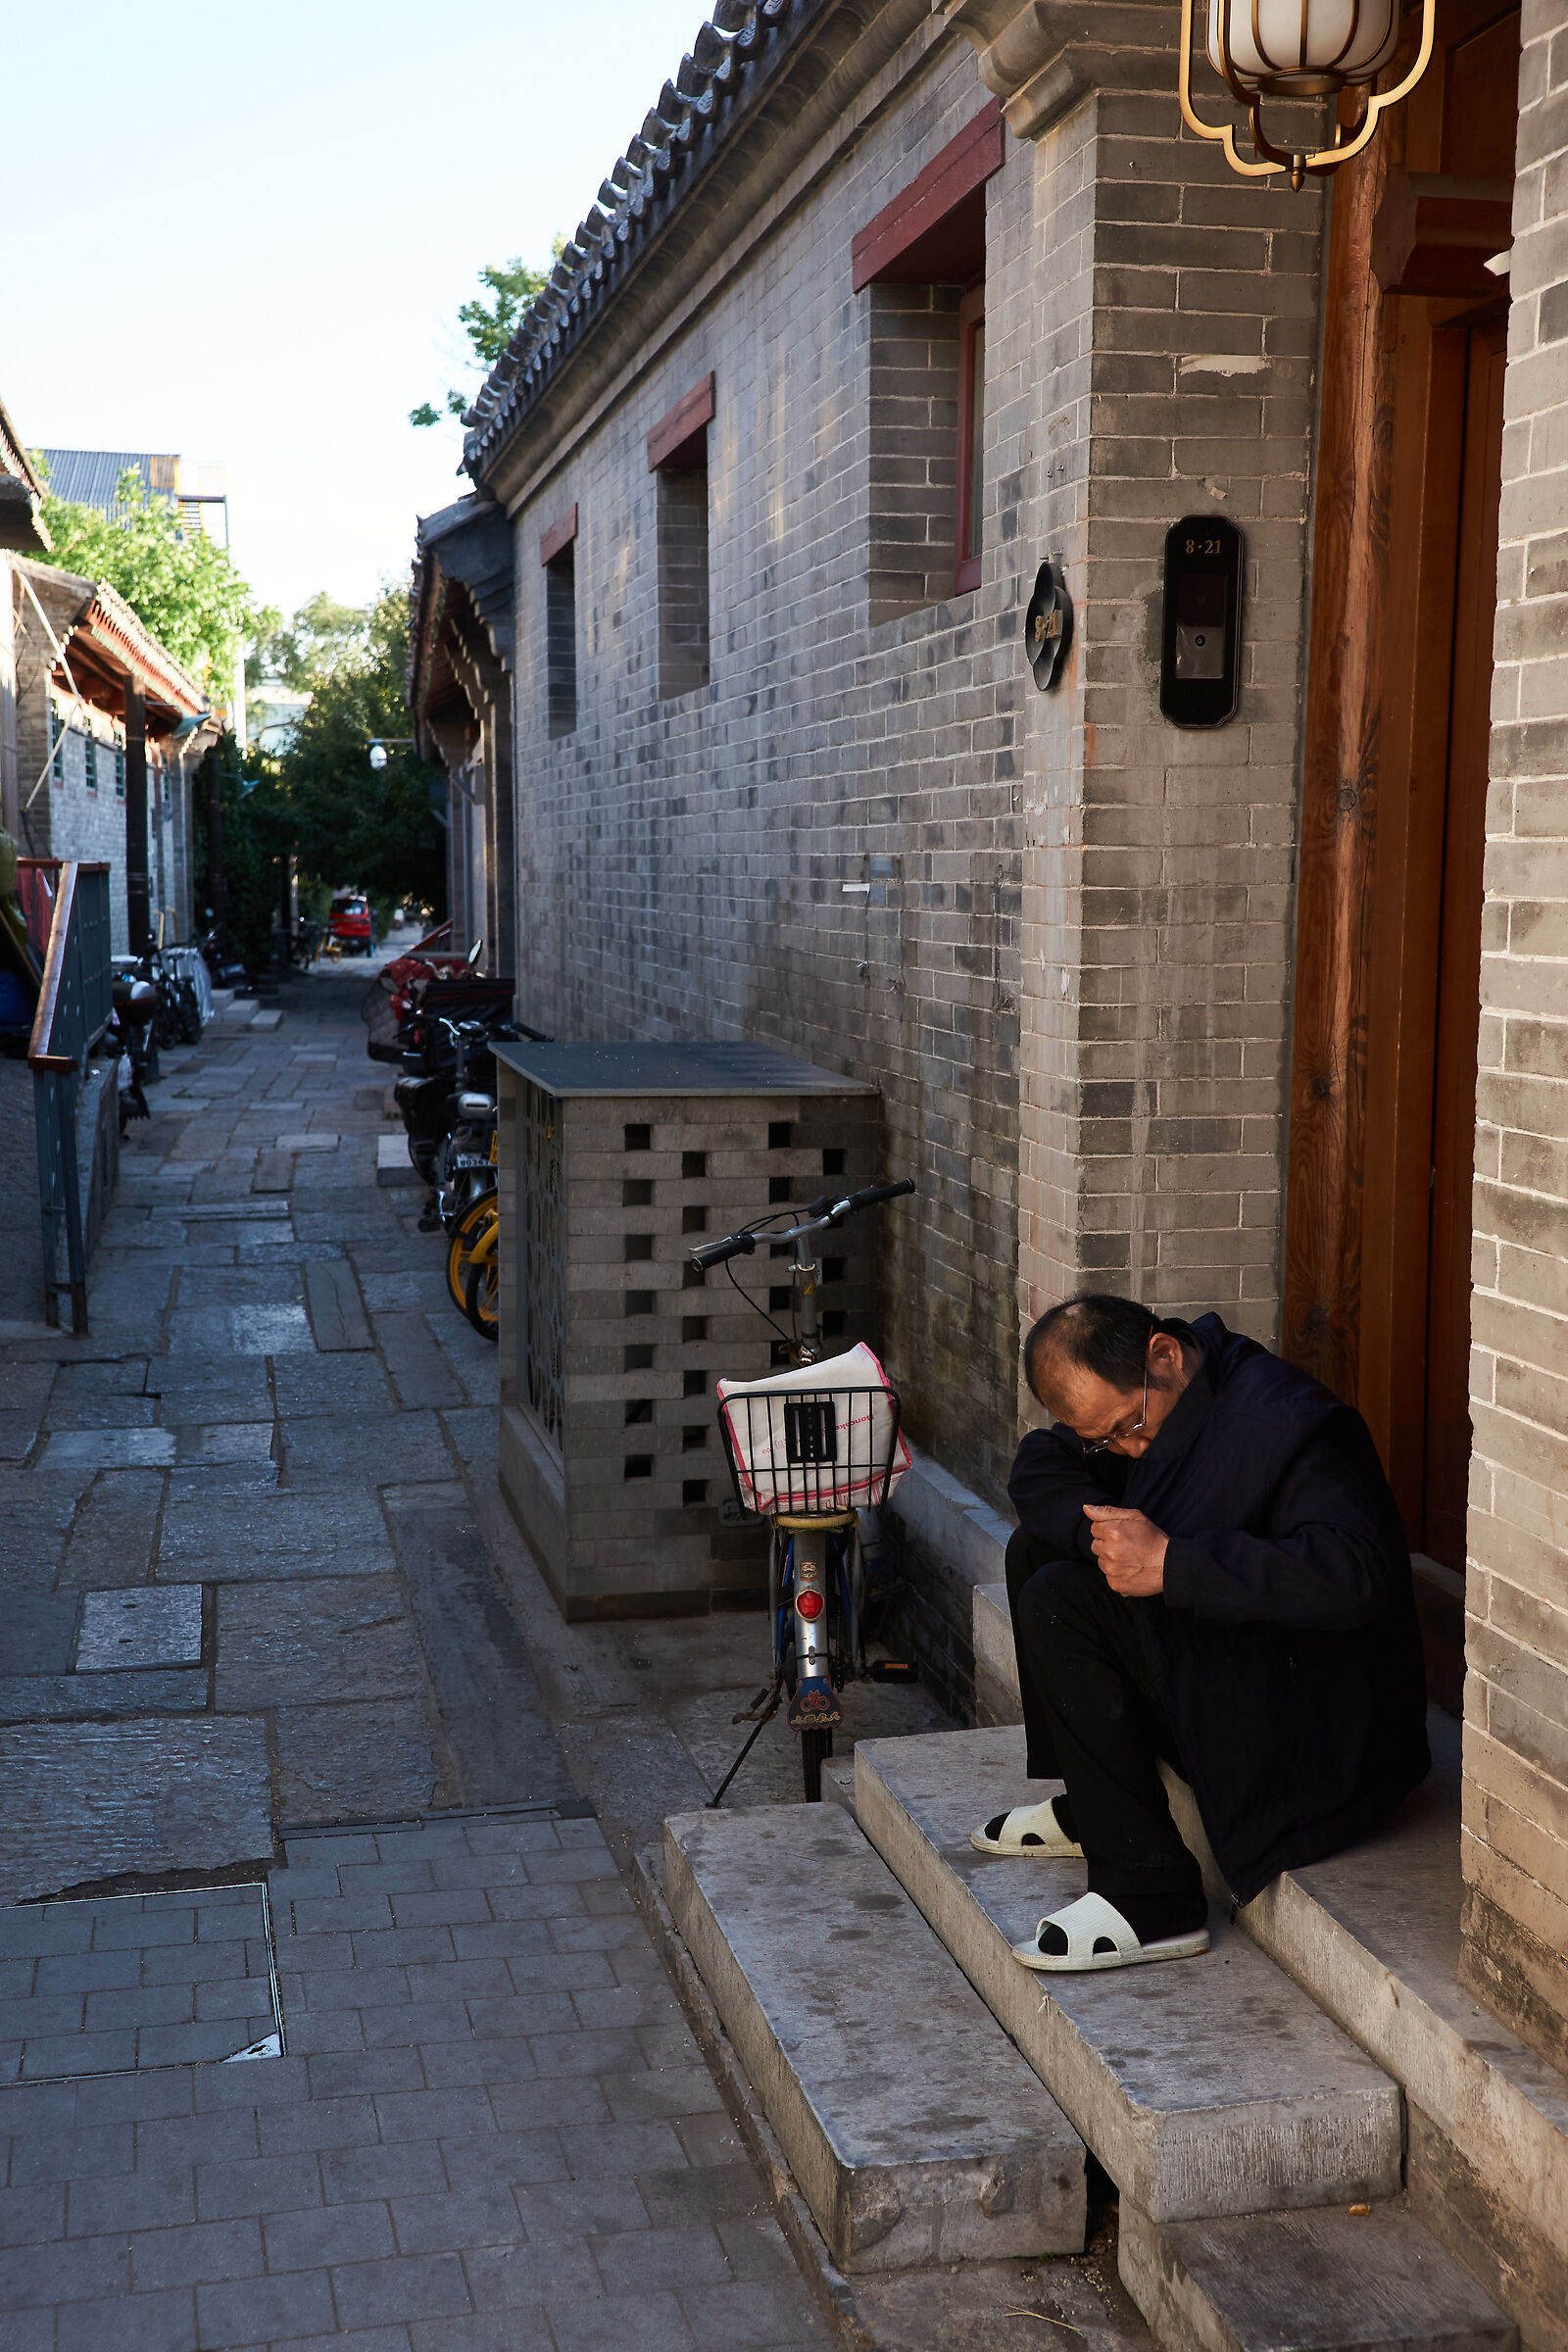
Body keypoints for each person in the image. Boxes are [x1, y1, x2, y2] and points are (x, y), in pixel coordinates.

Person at [977, 1295, 1430, 1976]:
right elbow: (1041, 1462)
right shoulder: (1148, 1398)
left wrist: (1172, 1564)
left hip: (1319, 1733)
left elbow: (1356, 1573)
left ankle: (1152, 1895)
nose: (1126, 1449)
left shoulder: (1284, 1424)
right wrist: (1100, 1534)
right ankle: (1098, 1803)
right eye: (1105, 1441)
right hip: (1232, 1664)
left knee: (1060, 1599)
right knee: (1037, 1550)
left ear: (1163, 1355)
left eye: (1129, 1426)